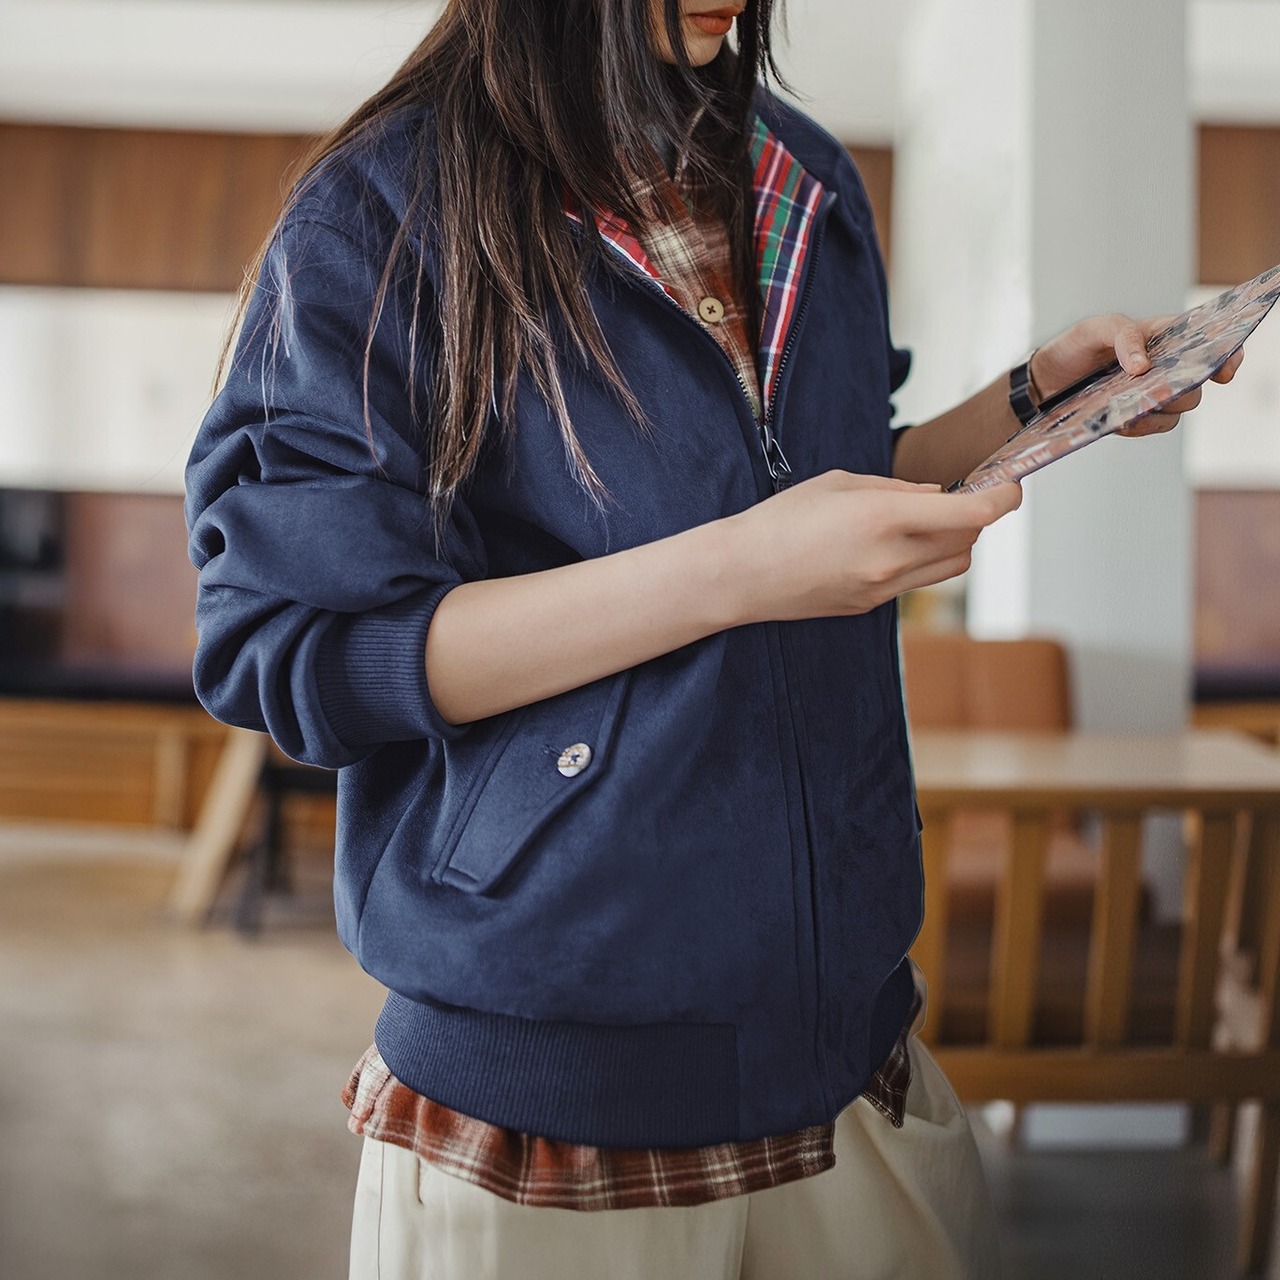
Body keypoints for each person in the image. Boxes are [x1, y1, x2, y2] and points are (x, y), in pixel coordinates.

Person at [184, 1, 1242, 1276]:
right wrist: (731, 571)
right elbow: (292, 653)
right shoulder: (380, 209)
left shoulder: (803, 176)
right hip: (550, 1117)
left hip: (859, 1068)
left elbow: (835, 475)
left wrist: (1026, 400)